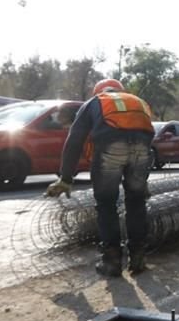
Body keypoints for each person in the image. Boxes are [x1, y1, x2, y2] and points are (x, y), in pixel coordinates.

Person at [46, 78, 155, 277]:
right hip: (142, 150)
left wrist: (66, 178)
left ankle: (112, 262)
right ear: (121, 90)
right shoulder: (138, 101)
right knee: (136, 203)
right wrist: (143, 179)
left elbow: (75, 139)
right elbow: (148, 135)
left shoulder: (95, 102)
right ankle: (138, 259)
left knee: (107, 205)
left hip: (110, 150)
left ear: (97, 91)